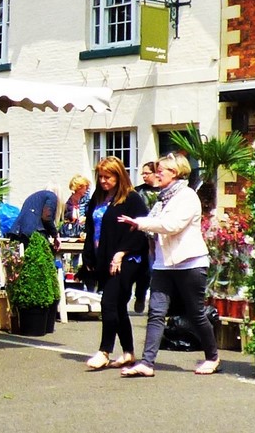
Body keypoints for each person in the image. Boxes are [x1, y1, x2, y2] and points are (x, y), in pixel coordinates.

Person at [116, 154, 221, 377]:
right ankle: (147, 363)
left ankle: (212, 357)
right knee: (156, 312)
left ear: (175, 172)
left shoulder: (187, 197)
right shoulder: (163, 199)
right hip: (164, 264)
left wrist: (140, 223)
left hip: (190, 263)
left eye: (161, 170)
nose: (157, 173)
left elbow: (172, 225)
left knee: (196, 313)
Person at [79, 156, 150, 371]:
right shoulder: (97, 199)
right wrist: (89, 256)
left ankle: (104, 351)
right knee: (118, 306)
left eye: (108, 177)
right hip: (104, 258)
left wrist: (120, 253)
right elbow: (91, 230)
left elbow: (140, 230)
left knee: (108, 302)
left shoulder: (132, 199)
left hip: (126, 259)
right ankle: (128, 351)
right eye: (100, 177)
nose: (103, 181)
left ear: (119, 177)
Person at [132, 161, 160, 313]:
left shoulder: (163, 192)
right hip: (140, 234)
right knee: (143, 269)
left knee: (154, 271)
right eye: (142, 173)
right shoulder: (138, 191)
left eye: (146, 173)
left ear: (156, 173)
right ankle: (140, 296)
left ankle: (155, 304)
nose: (143, 176)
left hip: (158, 235)